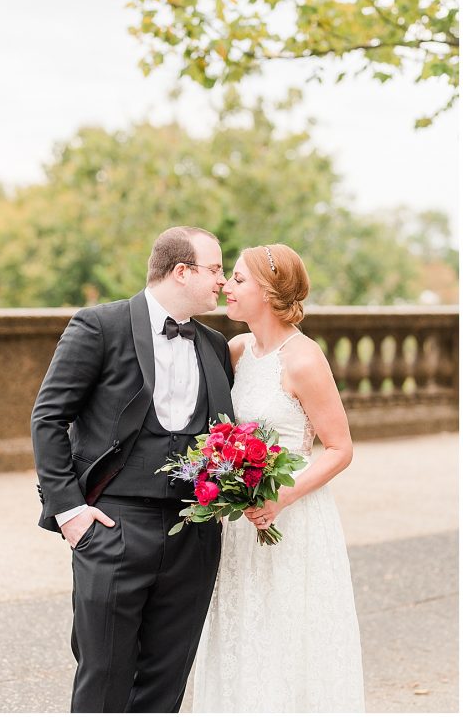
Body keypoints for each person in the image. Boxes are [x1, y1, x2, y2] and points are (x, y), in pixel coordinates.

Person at [31, 226, 235, 713]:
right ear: (181, 272)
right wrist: (70, 512)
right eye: (215, 270)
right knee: (104, 676)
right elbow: (49, 417)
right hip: (113, 525)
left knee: (166, 681)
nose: (223, 282)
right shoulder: (101, 325)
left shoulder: (216, 346)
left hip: (194, 532)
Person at [192, 244, 365, 711]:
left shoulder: (304, 360)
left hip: (291, 517)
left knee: (287, 631)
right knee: (241, 629)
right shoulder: (237, 350)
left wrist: (281, 497)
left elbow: (340, 448)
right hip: (238, 522)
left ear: (268, 293)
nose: (227, 286)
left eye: (240, 279)